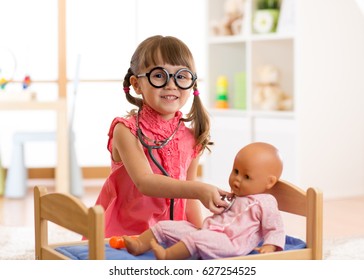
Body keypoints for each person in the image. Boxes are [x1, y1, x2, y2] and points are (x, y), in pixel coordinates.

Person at [94, 35, 230, 238]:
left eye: (181, 76)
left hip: (171, 236)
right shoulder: (126, 130)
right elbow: (145, 182)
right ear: (137, 84)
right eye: (159, 75)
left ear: (192, 84)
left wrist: (202, 234)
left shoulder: (191, 137)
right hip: (125, 236)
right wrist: (199, 189)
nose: (171, 85)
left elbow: (189, 202)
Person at [122, 142, 286, 260]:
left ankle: (167, 256)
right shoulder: (235, 197)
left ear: (269, 182)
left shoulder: (266, 202)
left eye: (246, 176)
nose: (237, 179)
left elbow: (276, 228)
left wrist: (270, 246)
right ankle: (139, 246)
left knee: (196, 239)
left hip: (230, 243)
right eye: (235, 171)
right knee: (167, 226)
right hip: (207, 232)